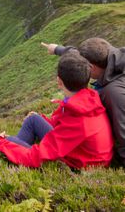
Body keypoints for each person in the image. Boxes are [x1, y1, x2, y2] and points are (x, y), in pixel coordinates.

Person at [0, 52, 114, 168]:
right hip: (82, 152)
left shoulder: (78, 119)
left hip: (80, 165)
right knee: (33, 119)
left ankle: (14, 154)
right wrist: (45, 120)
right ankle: (16, 151)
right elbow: (66, 125)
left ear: (59, 81)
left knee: (8, 141)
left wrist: (2, 142)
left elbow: (36, 156)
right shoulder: (88, 99)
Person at [42, 38, 125, 167]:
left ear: (91, 67)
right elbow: (78, 57)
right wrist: (58, 49)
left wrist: (117, 168)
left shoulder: (113, 94)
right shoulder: (113, 56)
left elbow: (123, 133)